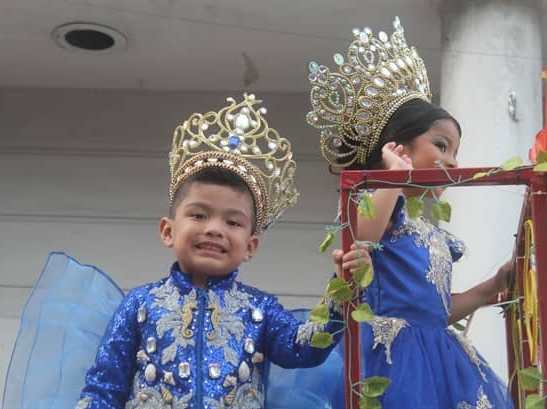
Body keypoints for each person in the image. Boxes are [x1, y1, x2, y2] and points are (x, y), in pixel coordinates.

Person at [69, 94, 370, 408]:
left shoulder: (261, 309)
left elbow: (305, 347)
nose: (214, 229)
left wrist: (341, 289)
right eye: (199, 215)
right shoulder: (139, 305)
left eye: (232, 222)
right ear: (168, 231)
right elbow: (104, 388)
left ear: (250, 246)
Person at [306, 17, 514, 408]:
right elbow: (362, 235)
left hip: (441, 360)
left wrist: (489, 289)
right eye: (440, 144)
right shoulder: (379, 200)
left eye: (455, 151)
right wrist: (393, 178)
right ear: (398, 145)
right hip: (392, 362)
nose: (451, 161)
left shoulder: (428, 230)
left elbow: (433, 312)